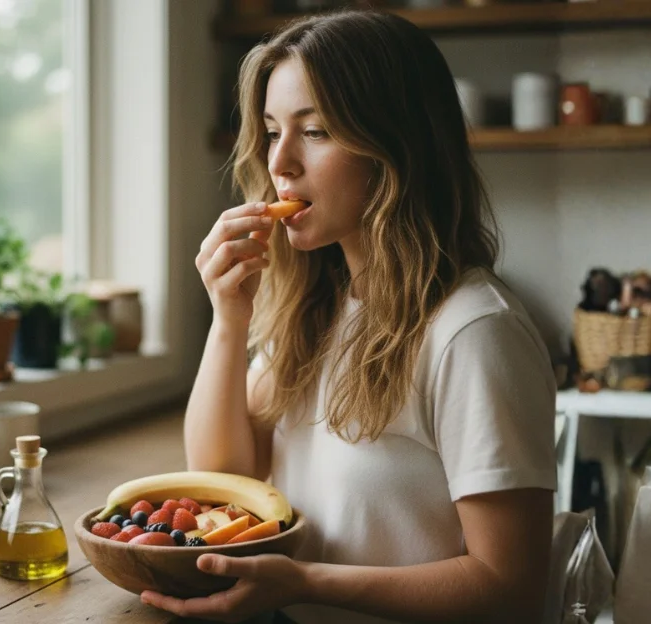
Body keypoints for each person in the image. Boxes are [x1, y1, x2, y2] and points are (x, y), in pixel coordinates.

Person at [142, 10, 556, 623]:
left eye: (314, 131)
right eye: (271, 130)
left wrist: (305, 582)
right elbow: (225, 477)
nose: (279, 161)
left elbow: (510, 588)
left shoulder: (473, 331)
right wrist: (228, 319)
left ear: (394, 147)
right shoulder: (318, 303)